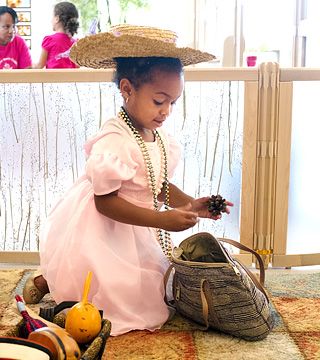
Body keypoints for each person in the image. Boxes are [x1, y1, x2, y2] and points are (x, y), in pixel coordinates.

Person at [23, 24, 233, 336]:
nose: (166, 111)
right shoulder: (115, 139)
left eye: (173, 102)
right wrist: (162, 219)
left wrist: (191, 204)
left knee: (150, 292)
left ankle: (57, 280)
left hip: (139, 227)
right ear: (127, 89)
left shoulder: (157, 137)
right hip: (105, 224)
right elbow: (105, 202)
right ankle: (48, 280)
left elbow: (155, 184)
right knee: (110, 290)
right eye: (159, 101)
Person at [33, 1, 79, 69]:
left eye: (52, 17)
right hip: (70, 79)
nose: (51, 20)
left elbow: (40, 65)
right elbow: (77, 66)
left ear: (57, 18)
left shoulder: (49, 40)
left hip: (52, 79)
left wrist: (29, 65)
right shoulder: (76, 43)